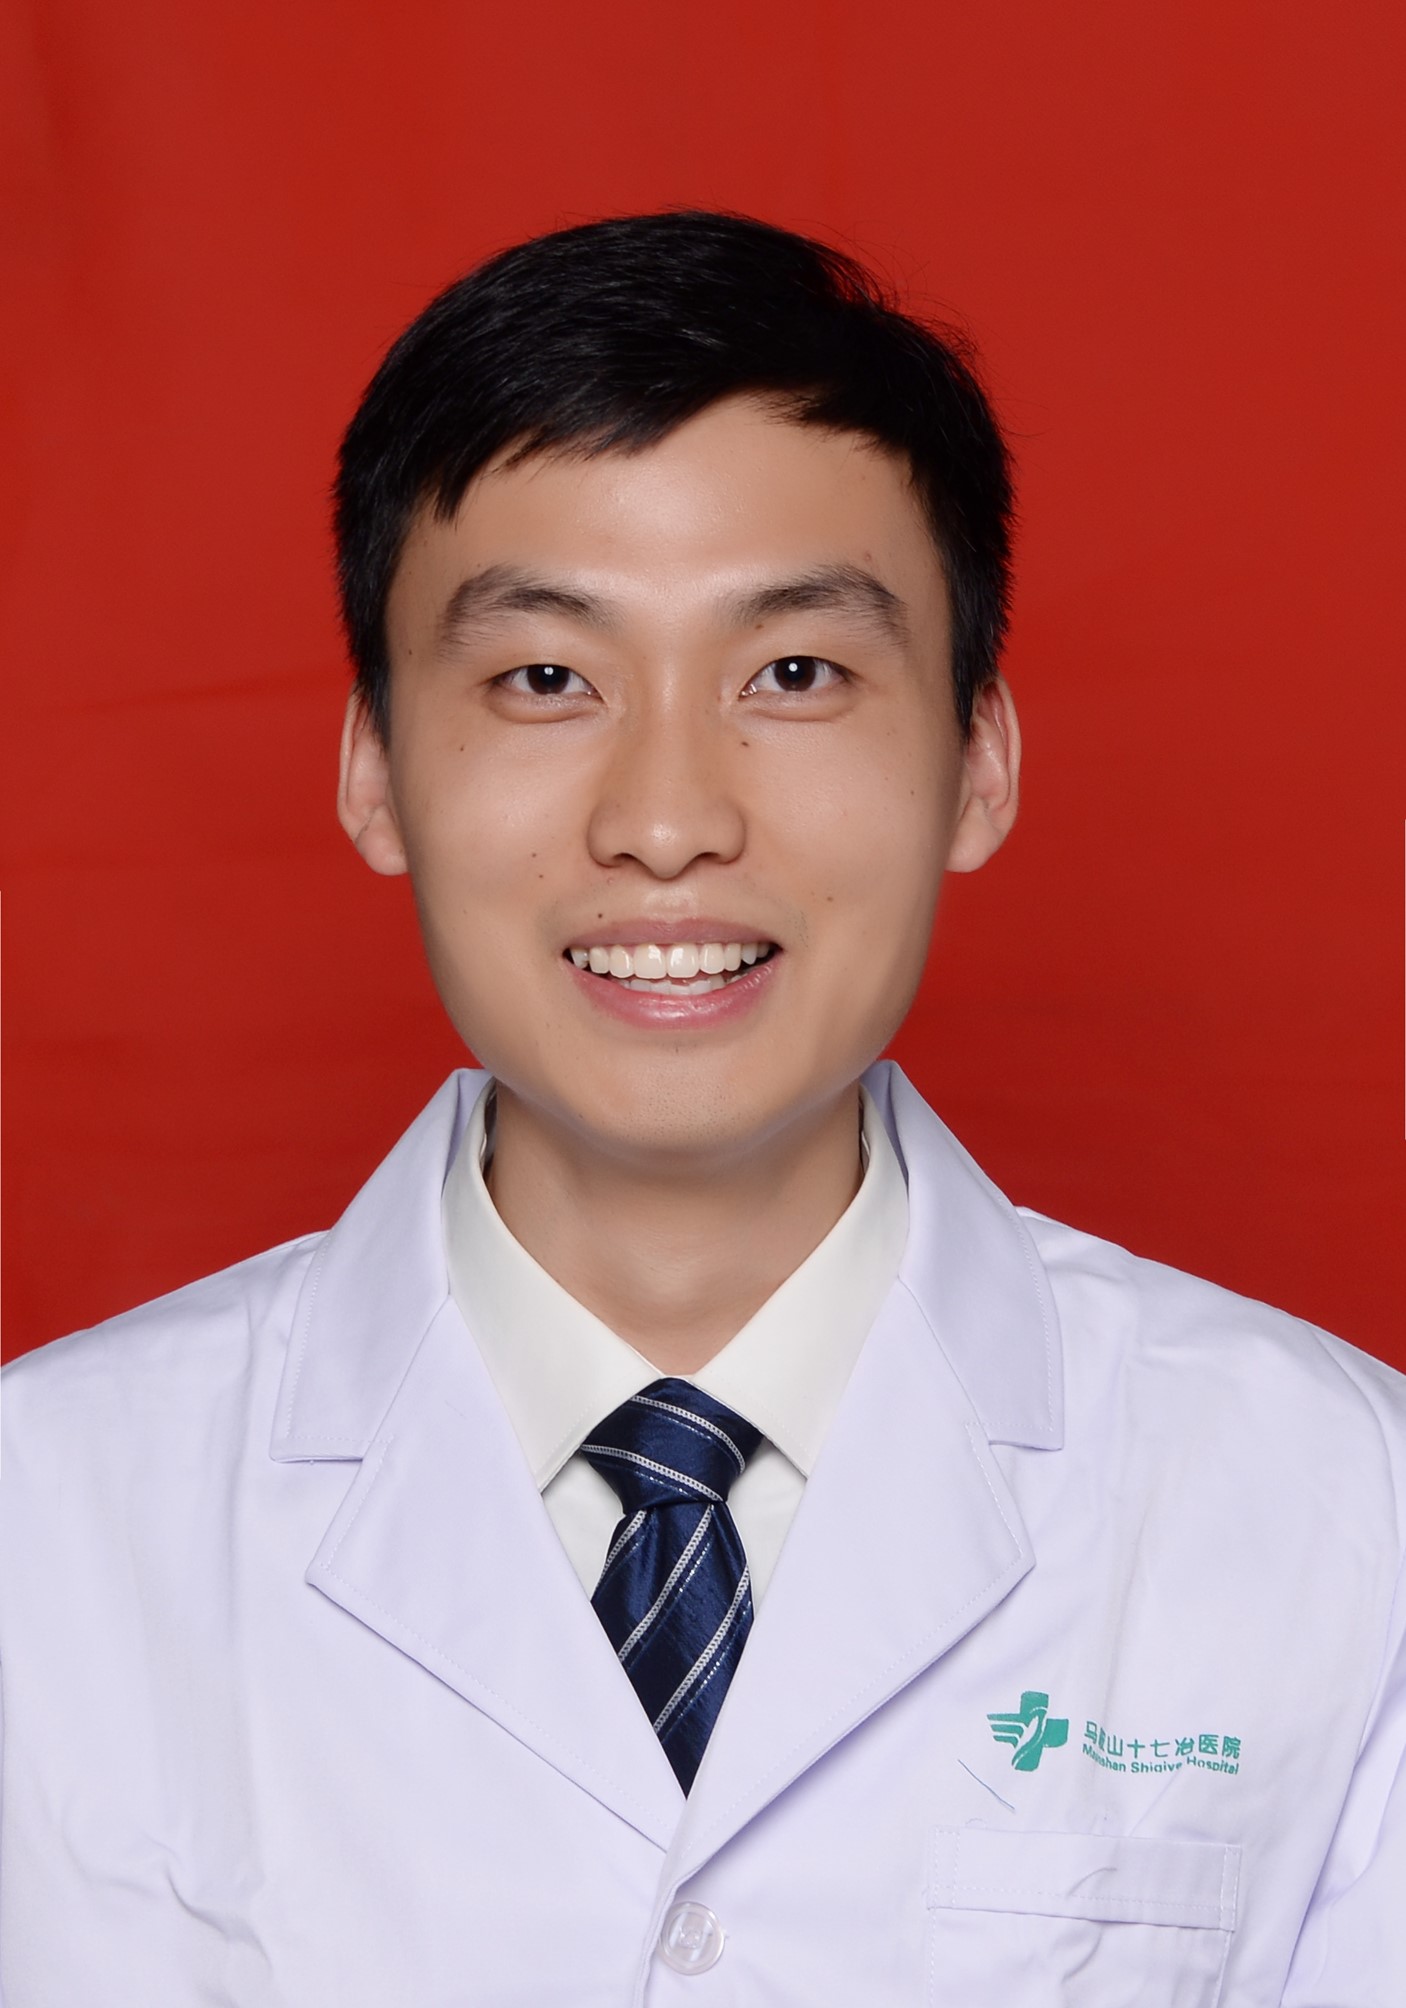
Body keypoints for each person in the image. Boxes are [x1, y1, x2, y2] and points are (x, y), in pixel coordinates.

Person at [1, 210, 1401, 2007]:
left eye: (793, 675)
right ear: (374, 773)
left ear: (976, 761)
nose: (665, 820)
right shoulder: (48, 1526)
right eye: (545, 679)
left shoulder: (1339, 1514)